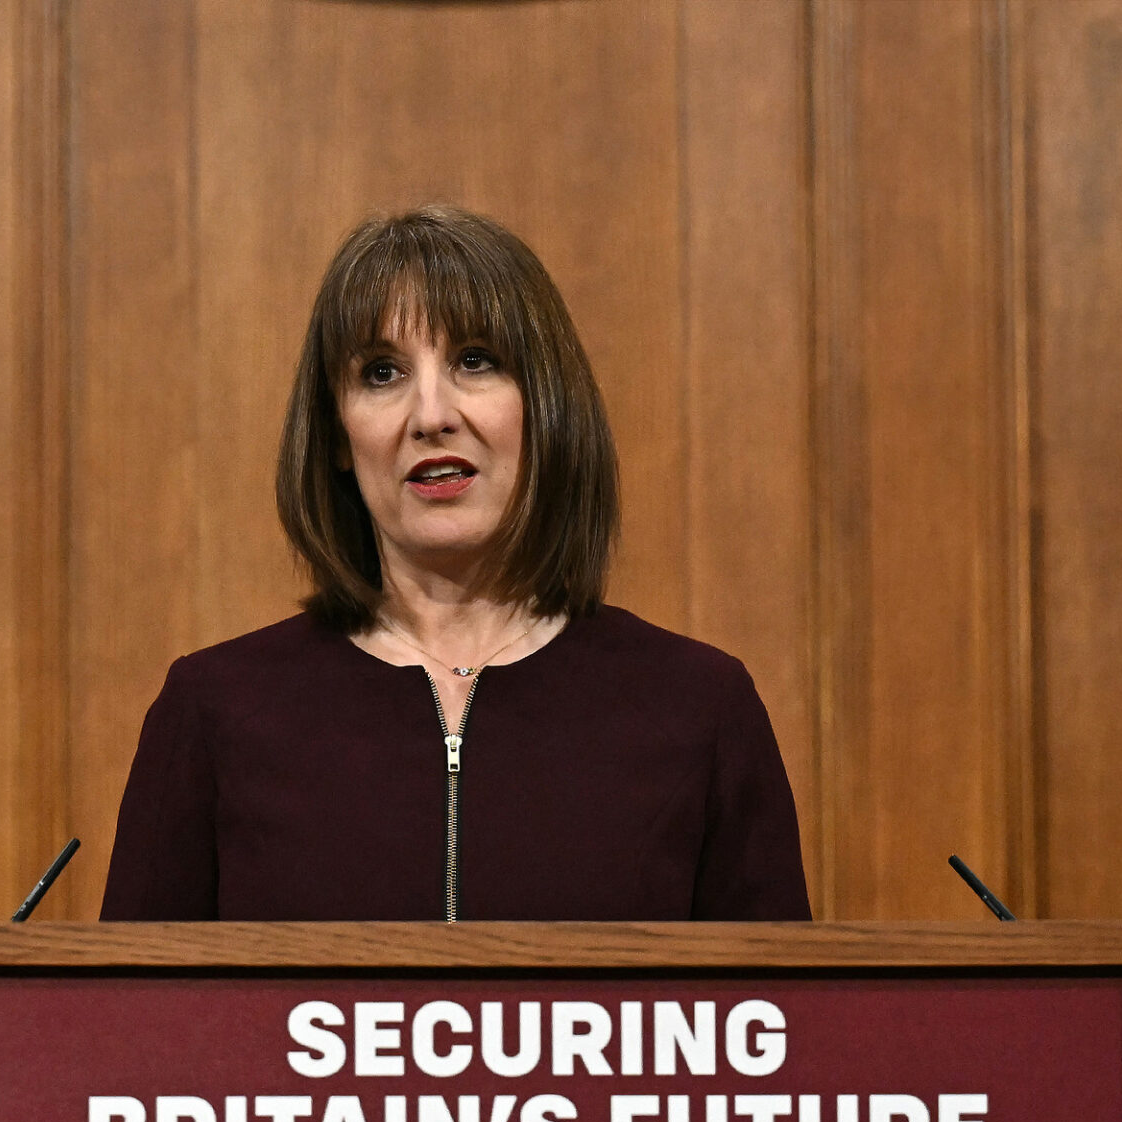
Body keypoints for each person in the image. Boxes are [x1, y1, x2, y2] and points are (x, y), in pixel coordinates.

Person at [100, 205, 809, 925]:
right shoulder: (215, 711)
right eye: (382, 373)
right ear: (338, 435)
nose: (431, 414)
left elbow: (782, 999)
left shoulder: (699, 707)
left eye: (475, 361)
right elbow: (128, 1000)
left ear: (545, 405)